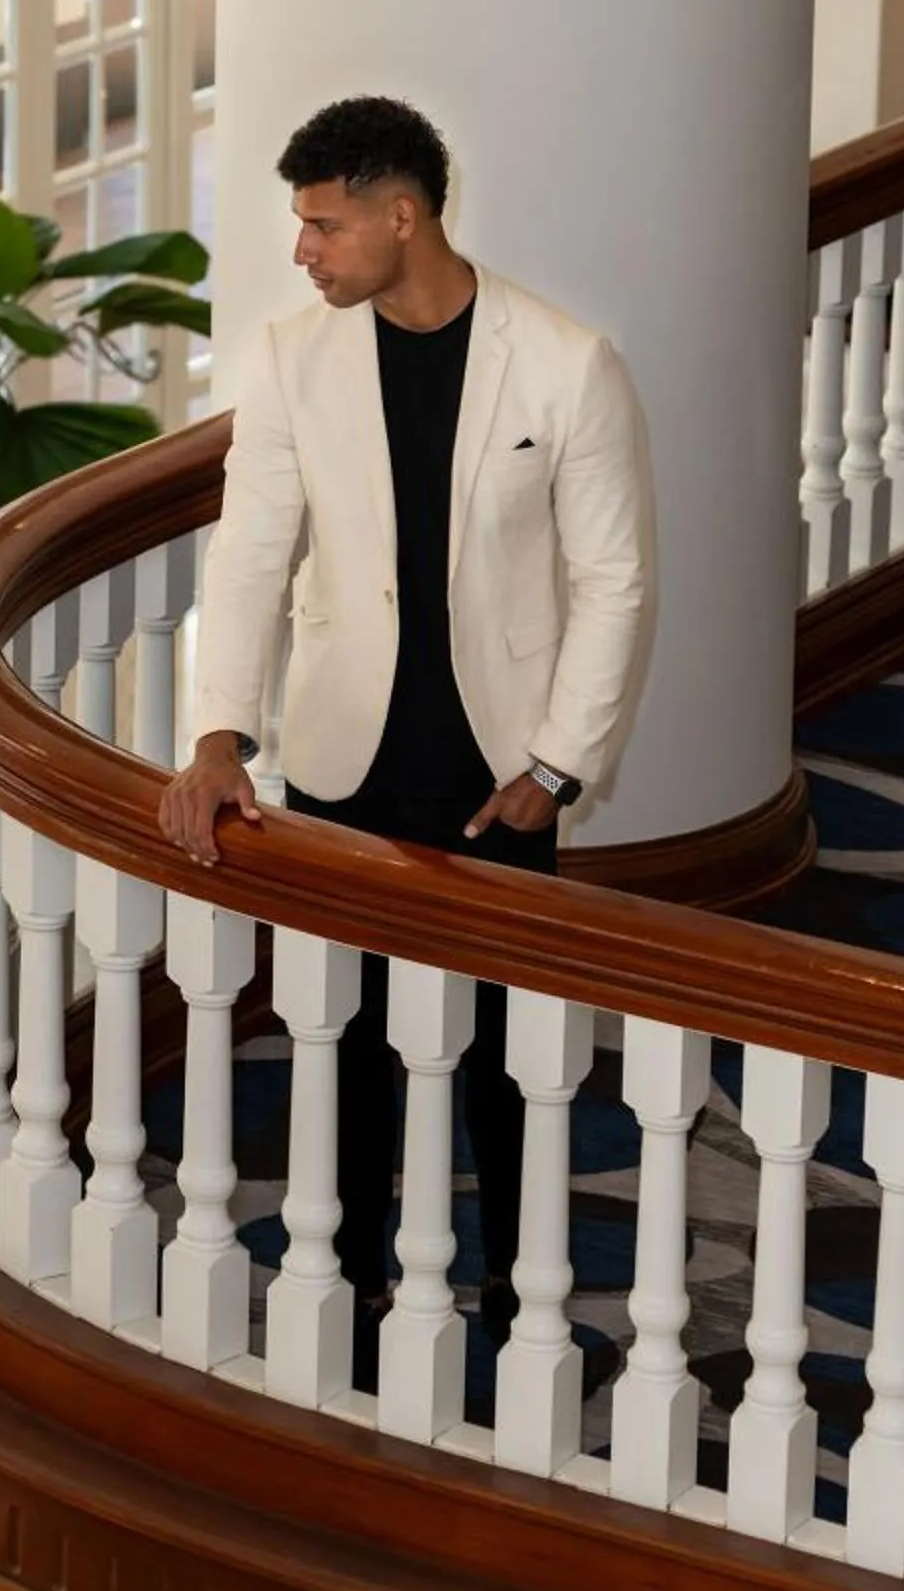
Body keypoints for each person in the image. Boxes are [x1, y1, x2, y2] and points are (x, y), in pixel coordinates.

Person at [158, 95, 650, 1350]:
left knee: (508, 1066)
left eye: (321, 225)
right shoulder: (287, 358)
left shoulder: (563, 362)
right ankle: (352, 1285)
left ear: (402, 214)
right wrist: (219, 732)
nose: (302, 251)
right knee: (343, 1045)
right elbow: (251, 553)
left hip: (500, 773)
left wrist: (555, 767)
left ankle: (518, 1300)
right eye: (299, 225)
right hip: (339, 759)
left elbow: (613, 581)